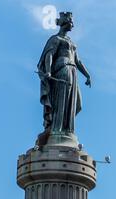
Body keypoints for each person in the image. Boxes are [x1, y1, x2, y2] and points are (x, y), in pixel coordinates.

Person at [36, 12, 91, 145]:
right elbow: (49, 55)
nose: (73, 24)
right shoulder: (55, 39)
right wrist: (48, 71)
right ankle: (57, 130)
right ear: (65, 22)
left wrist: (87, 75)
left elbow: (78, 60)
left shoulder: (72, 42)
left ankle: (68, 130)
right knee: (62, 102)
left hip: (73, 71)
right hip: (63, 69)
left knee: (76, 104)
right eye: (71, 22)